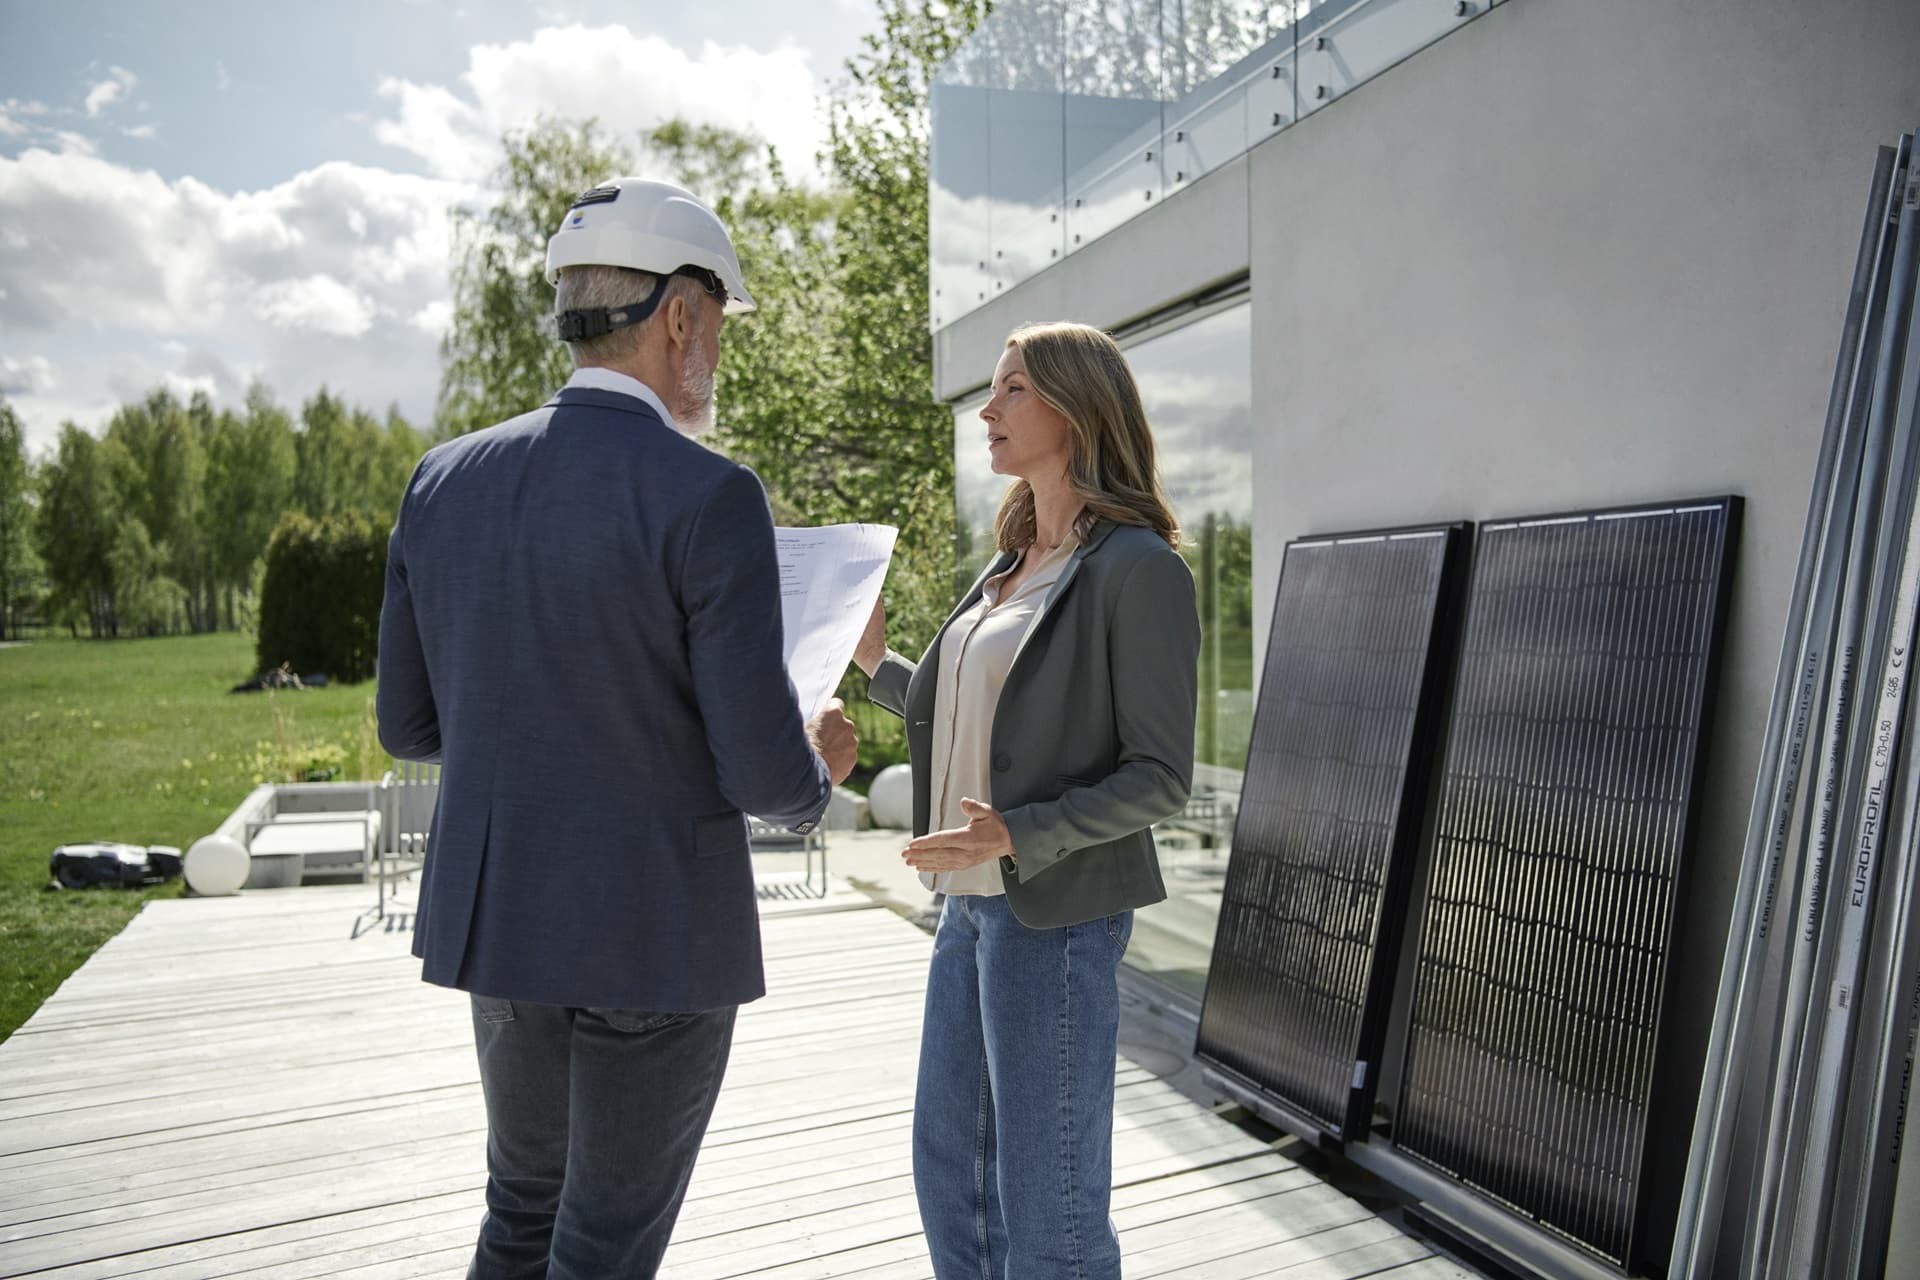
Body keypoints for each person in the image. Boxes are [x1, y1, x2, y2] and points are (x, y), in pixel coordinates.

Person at [376, 176, 858, 1280]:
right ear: (680, 315)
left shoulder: (440, 481)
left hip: (502, 926)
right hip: (653, 934)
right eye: (722, 322)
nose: (720, 351)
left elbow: (409, 724)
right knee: (601, 1247)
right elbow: (760, 772)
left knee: (520, 1212)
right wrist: (815, 768)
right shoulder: (708, 495)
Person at [854, 321, 1200, 1279]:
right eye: (992, 390)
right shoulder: (1008, 566)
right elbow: (968, 710)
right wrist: (877, 659)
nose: (987, 410)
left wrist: (1018, 833)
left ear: (1074, 406)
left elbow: (1161, 776)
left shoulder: (1140, 570)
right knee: (952, 1180)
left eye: (1011, 389)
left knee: (1048, 1207)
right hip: (967, 917)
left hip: (1056, 920)